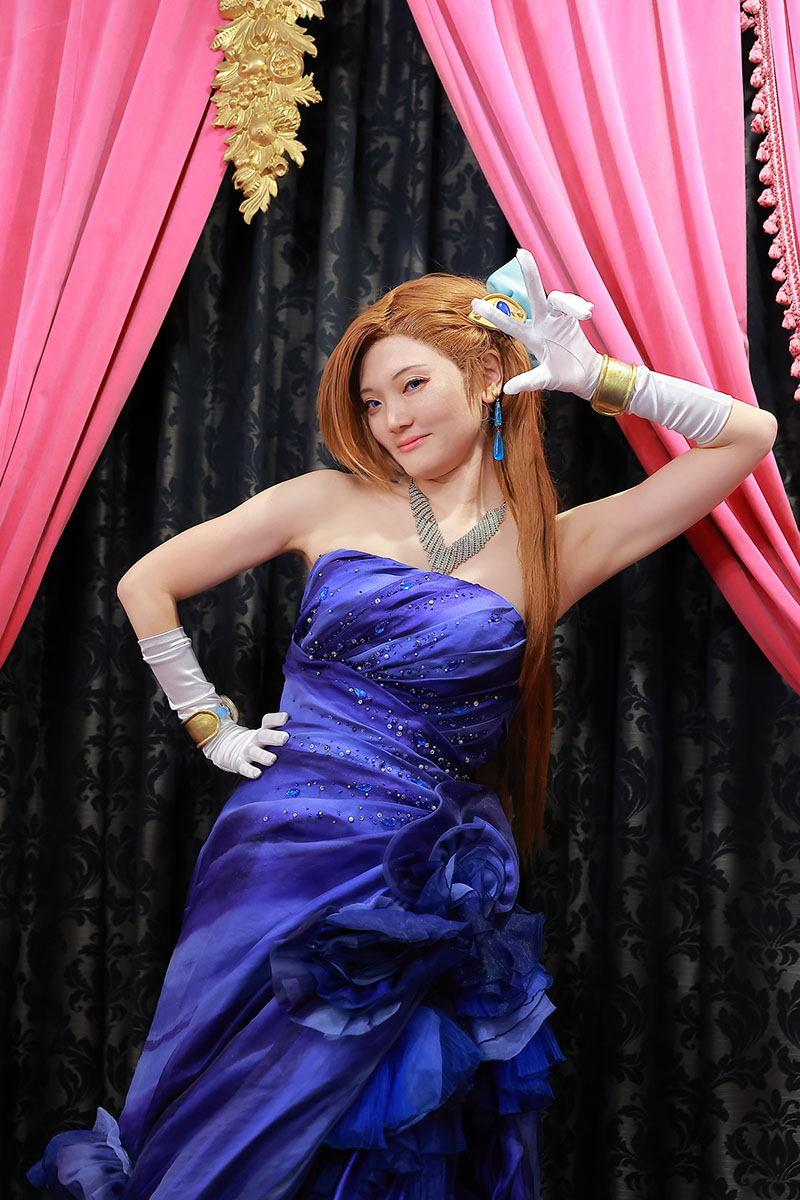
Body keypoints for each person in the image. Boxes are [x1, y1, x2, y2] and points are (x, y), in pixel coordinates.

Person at [27, 249, 776, 1199]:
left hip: (417, 876)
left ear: (490, 373)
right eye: (374, 401)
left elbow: (748, 436)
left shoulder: (556, 549)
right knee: (230, 1109)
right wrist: (212, 724)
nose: (392, 418)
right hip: (278, 852)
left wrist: (600, 380)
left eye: (412, 385)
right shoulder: (328, 499)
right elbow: (147, 582)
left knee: (381, 1130)